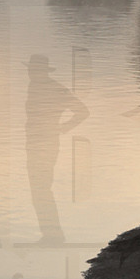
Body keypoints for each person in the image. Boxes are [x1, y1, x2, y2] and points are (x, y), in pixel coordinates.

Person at [24, 55, 89, 244]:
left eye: (33, 70)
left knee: (41, 188)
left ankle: (53, 234)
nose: (30, 73)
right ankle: (50, 233)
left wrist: (63, 128)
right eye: (30, 69)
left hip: (45, 144)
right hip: (34, 144)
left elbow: (83, 111)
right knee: (39, 189)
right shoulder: (34, 87)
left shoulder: (55, 89)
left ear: (41, 71)